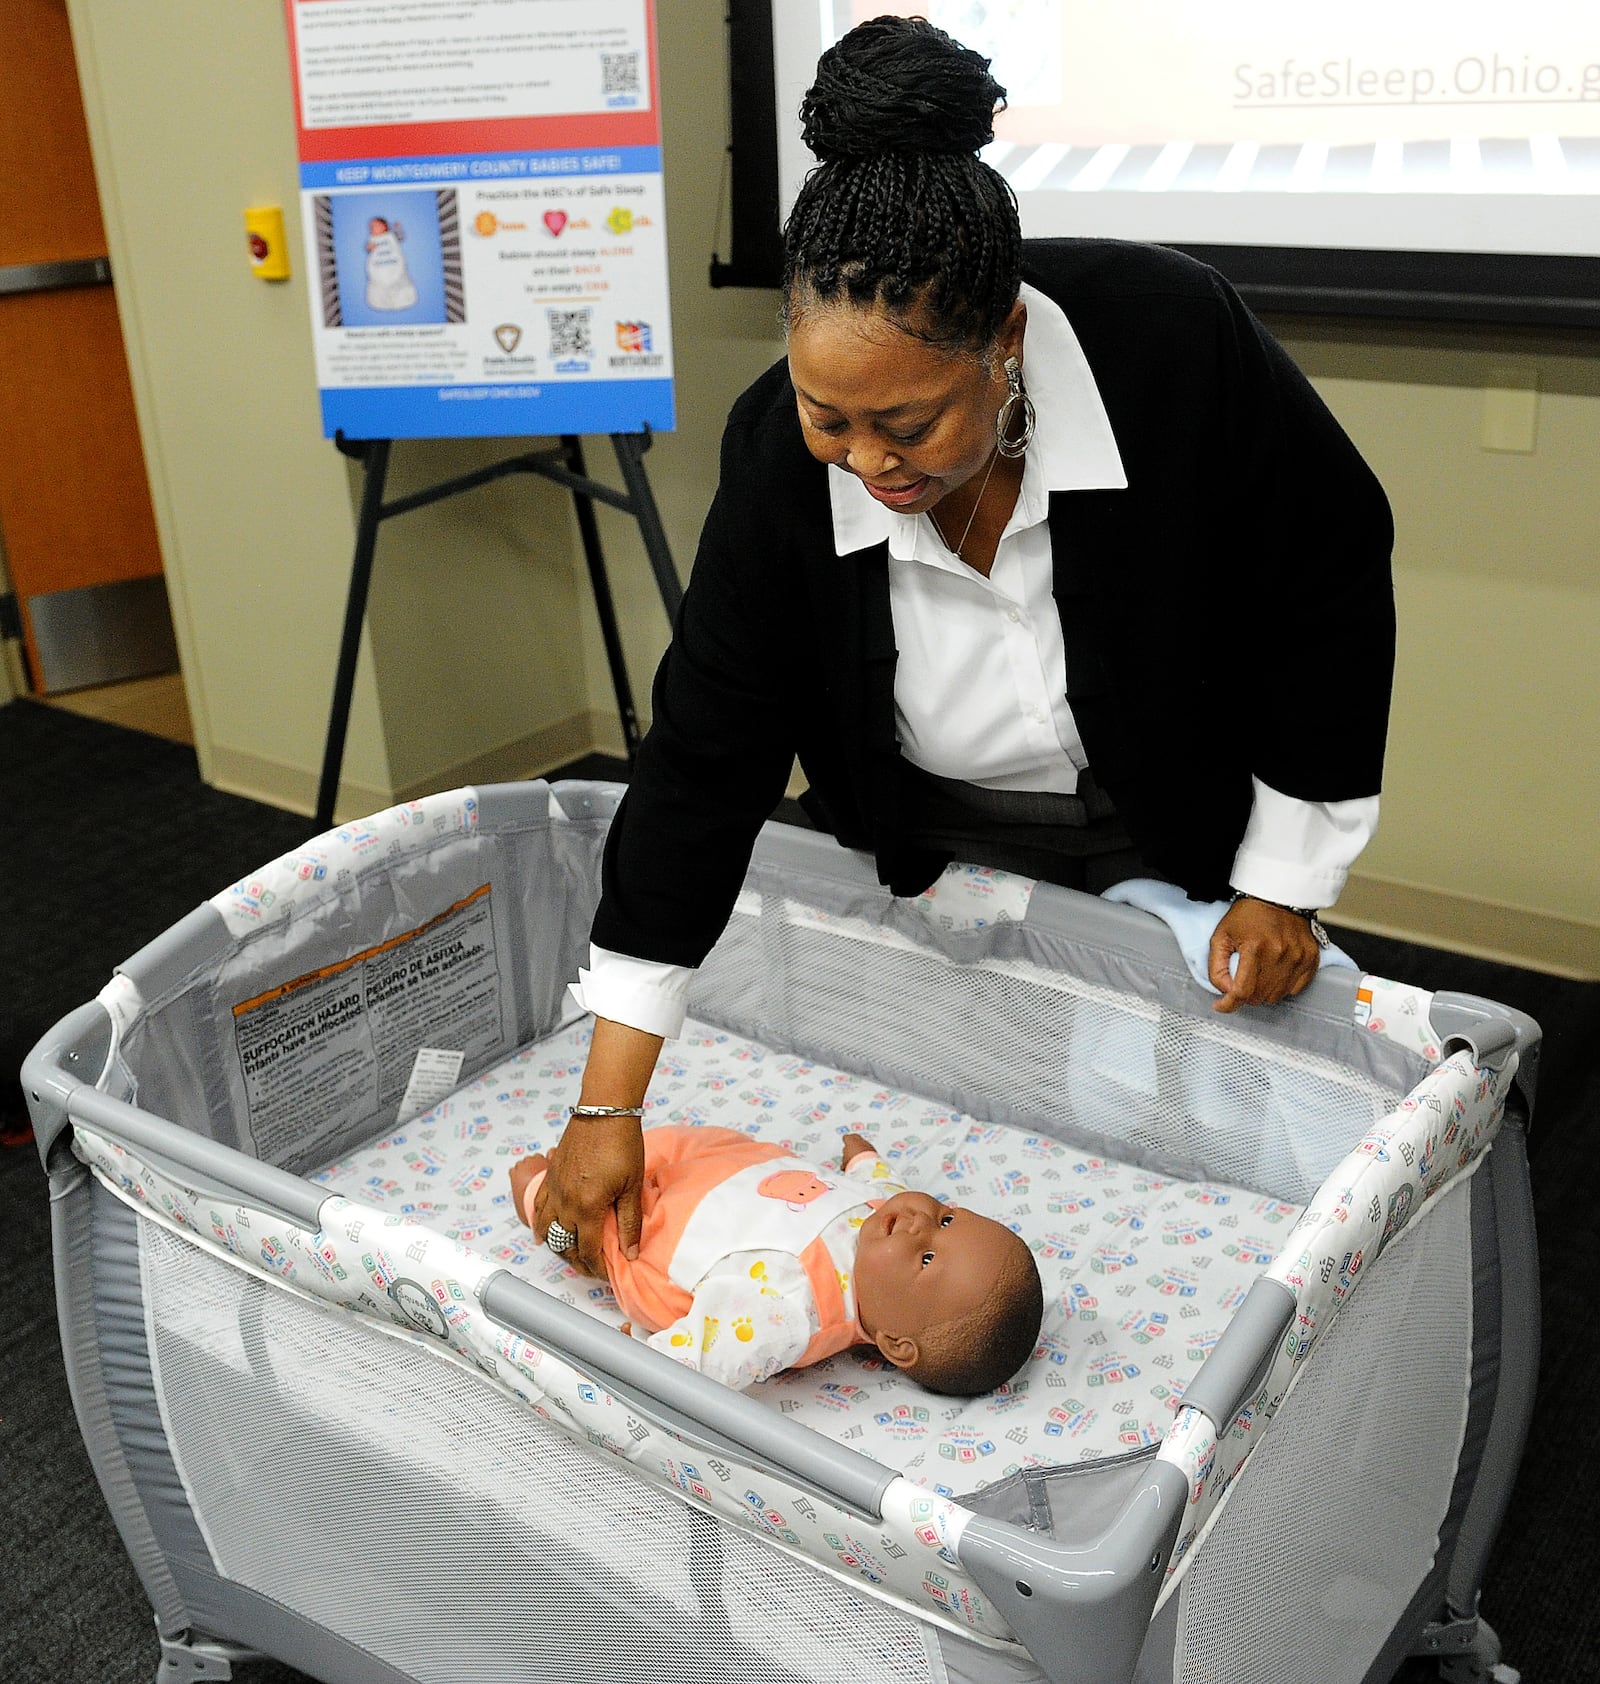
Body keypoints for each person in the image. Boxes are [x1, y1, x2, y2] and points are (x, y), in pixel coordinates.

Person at [532, 15, 1395, 1280]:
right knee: (992, 1113)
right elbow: (702, 763)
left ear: (1003, 342)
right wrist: (610, 1102)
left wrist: (1284, 878)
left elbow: (1323, 581)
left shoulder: (1169, 342)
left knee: (1199, 1117)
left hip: (1174, 801)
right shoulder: (778, 453)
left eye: (908, 422)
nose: (868, 461)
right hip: (928, 828)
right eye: (831, 416)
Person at [510, 1125, 1043, 1395]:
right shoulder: (888, 1221)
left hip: (645, 1229)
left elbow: (697, 1364)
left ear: (896, 1344)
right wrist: (863, 1158)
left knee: (578, 1215)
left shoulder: (792, 1311)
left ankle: (536, 1191)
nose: (920, 1220)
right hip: (715, 1163)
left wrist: (635, 1352)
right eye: (948, 1217)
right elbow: (883, 1186)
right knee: (646, 1144)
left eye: (927, 1258)